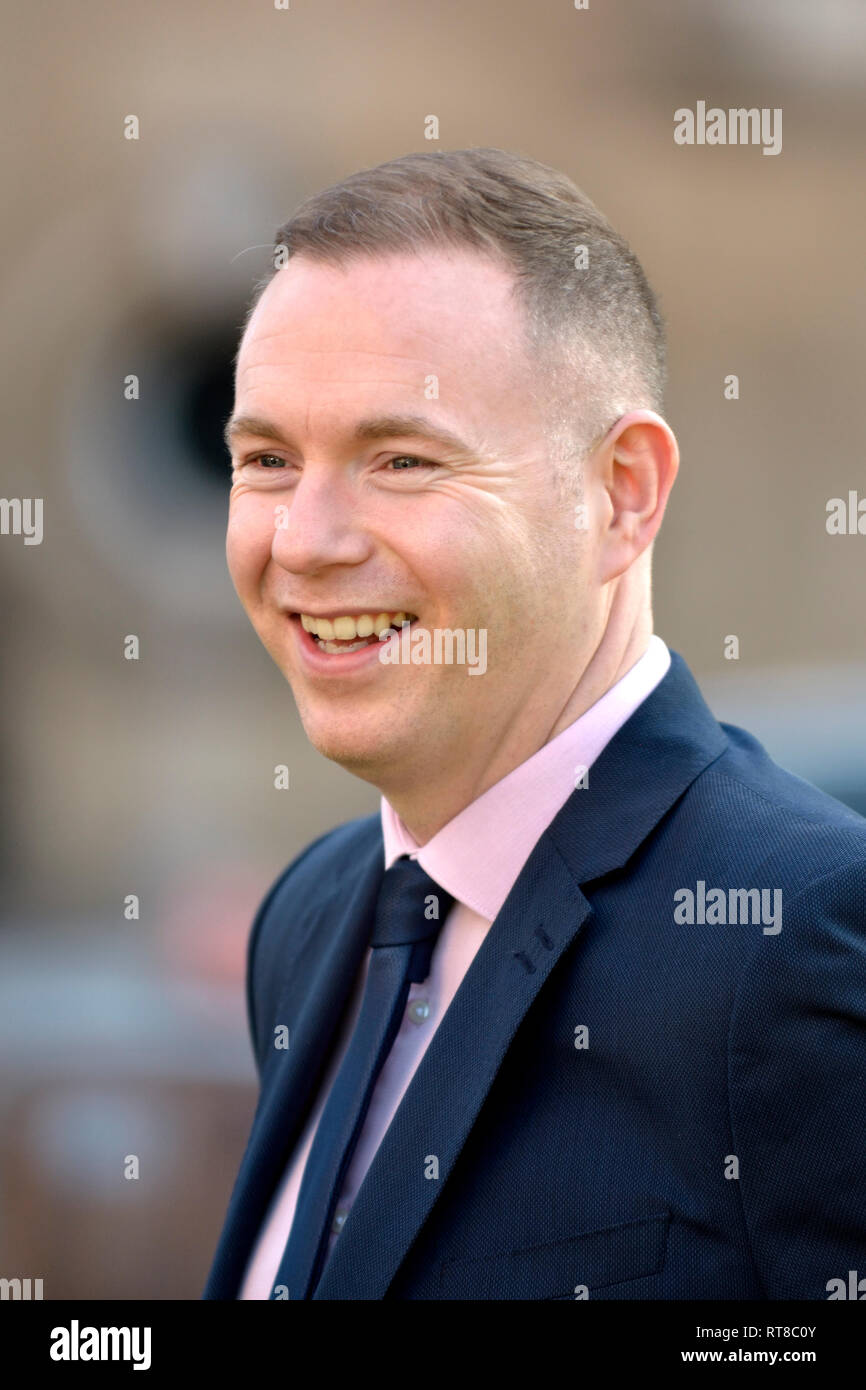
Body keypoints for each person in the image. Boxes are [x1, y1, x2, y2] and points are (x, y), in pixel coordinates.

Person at [203, 148, 866, 1301]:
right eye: (266, 460)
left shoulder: (801, 936)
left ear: (621, 492)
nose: (303, 541)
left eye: (400, 459)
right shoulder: (309, 918)